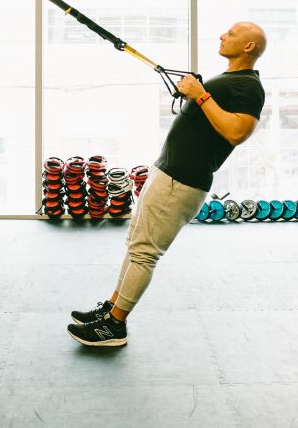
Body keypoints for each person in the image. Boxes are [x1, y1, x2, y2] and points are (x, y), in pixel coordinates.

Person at [67, 21, 267, 346]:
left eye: (230, 33)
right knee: (135, 245)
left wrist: (201, 95)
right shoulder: (231, 80)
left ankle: (114, 326)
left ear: (248, 46)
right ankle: (111, 309)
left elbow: (237, 131)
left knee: (144, 253)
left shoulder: (249, 86)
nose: (221, 35)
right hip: (167, 172)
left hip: (182, 180)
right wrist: (198, 94)